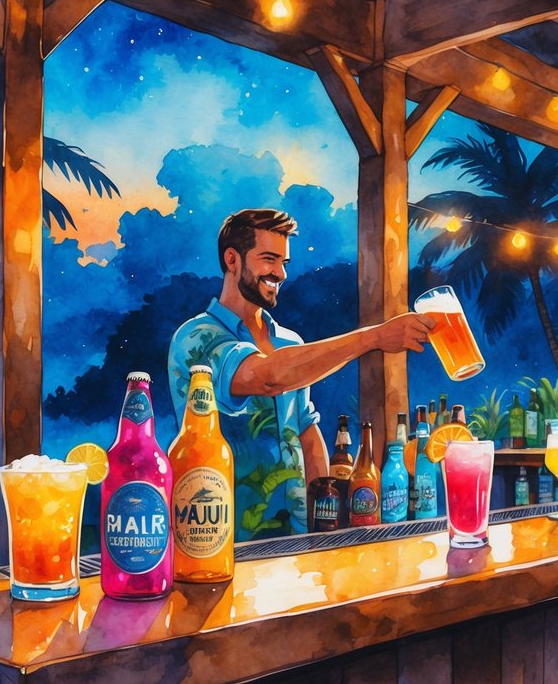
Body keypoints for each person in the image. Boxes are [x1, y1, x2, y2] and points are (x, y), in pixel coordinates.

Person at [168, 209, 434, 542]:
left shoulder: (290, 343)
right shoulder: (196, 337)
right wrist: (374, 337)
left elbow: (305, 433)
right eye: (268, 259)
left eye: (284, 263)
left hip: (294, 537)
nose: (279, 273)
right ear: (232, 260)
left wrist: (324, 524)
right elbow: (266, 377)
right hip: (219, 537)